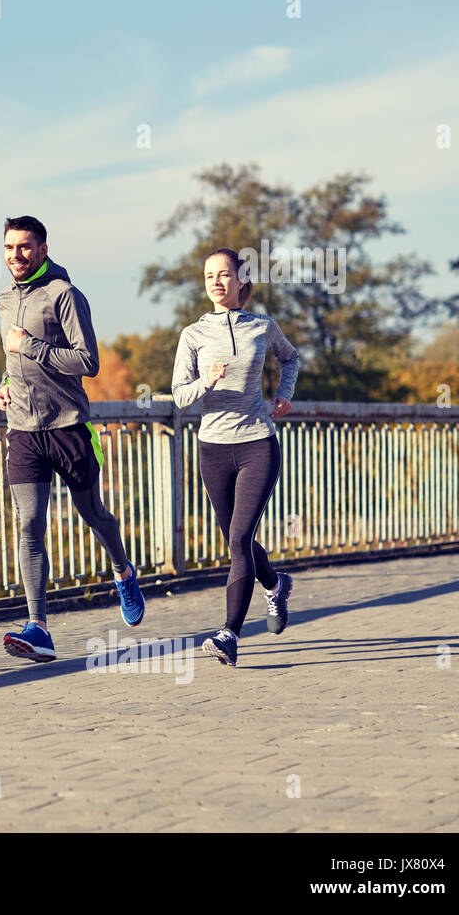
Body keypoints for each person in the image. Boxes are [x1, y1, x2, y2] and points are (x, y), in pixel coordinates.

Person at [0, 216, 147, 663]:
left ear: (42, 250)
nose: (15, 256)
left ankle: (123, 571)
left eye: (24, 247)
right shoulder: (3, 299)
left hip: (68, 426)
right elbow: (14, 355)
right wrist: (6, 381)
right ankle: (38, 627)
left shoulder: (65, 295)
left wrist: (32, 349)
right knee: (29, 525)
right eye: (8, 247)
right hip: (23, 430)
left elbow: (88, 361)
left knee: (92, 513)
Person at [171, 248, 299, 667]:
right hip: (212, 448)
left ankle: (229, 633)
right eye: (209, 275)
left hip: (257, 443)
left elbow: (291, 357)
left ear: (242, 280)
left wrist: (284, 394)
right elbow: (179, 395)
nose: (216, 282)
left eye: (224, 274)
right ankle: (275, 583)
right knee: (235, 539)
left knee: (240, 539)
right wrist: (205, 382)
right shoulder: (192, 335)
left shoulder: (262, 326)